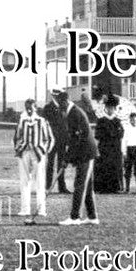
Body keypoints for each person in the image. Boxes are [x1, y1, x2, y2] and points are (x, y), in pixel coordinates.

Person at [57, 87, 99, 225]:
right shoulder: (71, 112)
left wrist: (66, 159)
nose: (60, 107)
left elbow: (77, 139)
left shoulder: (74, 113)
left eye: (61, 104)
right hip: (84, 152)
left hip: (86, 152)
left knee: (79, 184)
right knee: (86, 186)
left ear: (66, 101)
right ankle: (92, 217)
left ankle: (75, 217)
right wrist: (67, 159)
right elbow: (73, 139)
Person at [13, 99, 55, 224]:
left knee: (40, 181)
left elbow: (50, 139)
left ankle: (41, 209)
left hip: (38, 154)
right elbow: (16, 137)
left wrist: (44, 150)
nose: (29, 110)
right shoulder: (22, 120)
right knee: (24, 181)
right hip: (25, 153)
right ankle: (25, 209)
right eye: (27, 107)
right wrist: (18, 148)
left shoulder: (42, 121)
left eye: (31, 107)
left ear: (36, 108)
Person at [93, 94, 125, 194]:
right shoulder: (101, 120)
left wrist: (112, 134)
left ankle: (115, 187)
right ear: (106, 108)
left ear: (115, 109)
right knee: (104, 166)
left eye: (112, 108)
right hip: (105, 147)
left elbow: (121, 134)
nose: (110, 110)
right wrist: (110, 134)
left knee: (115, 166)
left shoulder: (117, 121)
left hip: (115, 148)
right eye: (108, 108)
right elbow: (97, 135)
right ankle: (103, 187)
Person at [42, 87, 70, 194]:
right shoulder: (48, 108)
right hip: (52, 140)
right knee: (50, 163)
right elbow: (45, 124)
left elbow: (65, 124)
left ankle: (62, 187)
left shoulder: (64, 107)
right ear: (53, 95)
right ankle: (48, 186)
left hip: (62, 140)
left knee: (61, 164)